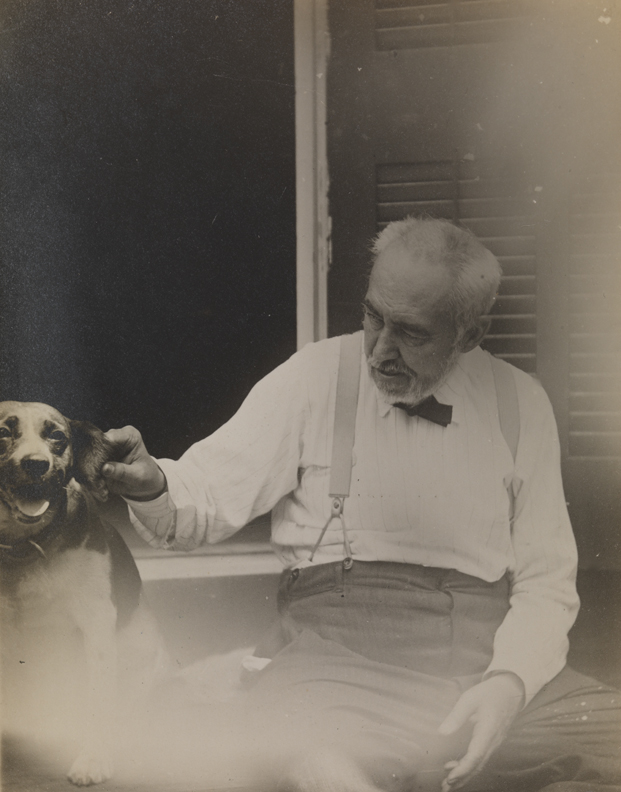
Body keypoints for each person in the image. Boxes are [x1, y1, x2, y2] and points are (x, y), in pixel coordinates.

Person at [102, 217, 621, 792]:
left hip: (485, 663)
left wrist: (510, 684)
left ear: (471, 334)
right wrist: (153, 483)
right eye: (374, 317)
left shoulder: (521, 402)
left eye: (412, 333)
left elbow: (547, 580)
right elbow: (201, 497)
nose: (380, 350)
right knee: (300, 743)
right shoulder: (315, 377)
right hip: (339, 666)